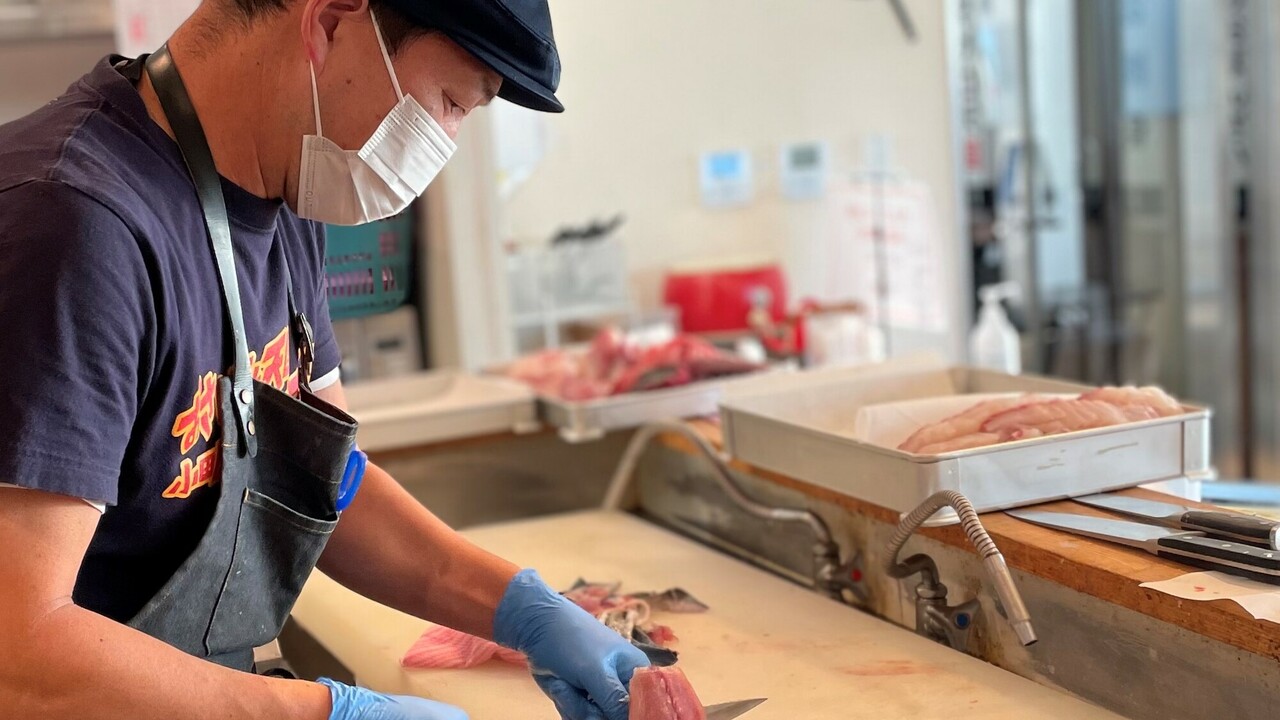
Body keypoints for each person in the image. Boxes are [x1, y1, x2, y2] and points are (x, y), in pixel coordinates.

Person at [0, 1, 650, 719]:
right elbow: (17, 652)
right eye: (449, 102)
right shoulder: (73, 224)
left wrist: (526, 611)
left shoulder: (286, 186)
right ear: (333, 22)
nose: (445, 139)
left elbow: (327, 480)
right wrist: (328, 713)